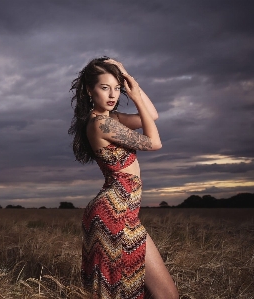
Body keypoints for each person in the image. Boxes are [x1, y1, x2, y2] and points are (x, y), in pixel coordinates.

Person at [68, 57, 178, 299]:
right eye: (105, 87)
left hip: (122, 211)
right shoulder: (100, 124)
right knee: (164, 295)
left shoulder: (113, 120)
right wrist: (135, 97)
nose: (113, 94)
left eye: (117, 88)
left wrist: (127, 76)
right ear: (89, 90)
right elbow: (154, 142)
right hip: (114, 214)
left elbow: (152, 116)